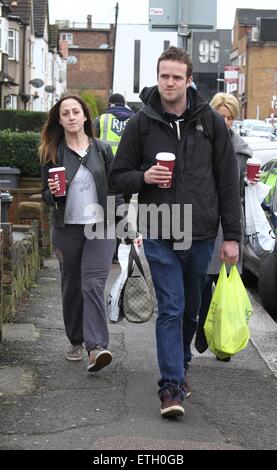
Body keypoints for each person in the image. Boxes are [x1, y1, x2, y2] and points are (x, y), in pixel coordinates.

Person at [110, 46, 241, 418]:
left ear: (188, 80)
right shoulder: (141, 123)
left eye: (176, 77)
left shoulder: (211, 122)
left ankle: (181, 365)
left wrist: (231, 235)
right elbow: (118, 175)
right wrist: (144, 176)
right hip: (160, 230)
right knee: (171, 308)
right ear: (158, 77)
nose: (169, 82)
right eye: (164, 76)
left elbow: (228, 182)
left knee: (190, 310)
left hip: (200, 233)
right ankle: (170, 388)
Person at [39, 94, 123, 373]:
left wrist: (125, 225)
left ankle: (96, 346)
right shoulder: (52, 153)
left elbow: (115, 191)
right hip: (67, 229)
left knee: (93, 284)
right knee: (72, 286)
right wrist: (53, 194)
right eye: (66, 113)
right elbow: (45, 196)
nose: (72, 116)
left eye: (76, 111)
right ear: (60, 120)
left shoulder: (102, 150)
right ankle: (75, 339)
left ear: (86, 116)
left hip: (101, 227)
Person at [183, 92, 253, 369]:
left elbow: (239, 190)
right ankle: (203, 334)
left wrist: (251, 181)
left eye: (230, 117)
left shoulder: (241, 149)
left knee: (225, 285)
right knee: (201, 284)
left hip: (229, 223)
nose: (224, 121)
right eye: (220, 115)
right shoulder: (200, 141)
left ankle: (222, 341)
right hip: (203, 220)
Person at [95, 93, 135, 263]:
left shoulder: (101, 120)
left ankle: (108, 251)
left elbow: (89, 142)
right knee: (122, 209)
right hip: (128, 174)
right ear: (124, 104)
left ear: (110, 103)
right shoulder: (134, 120)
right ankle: (117, 251)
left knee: (108, 212)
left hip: (105, 173)